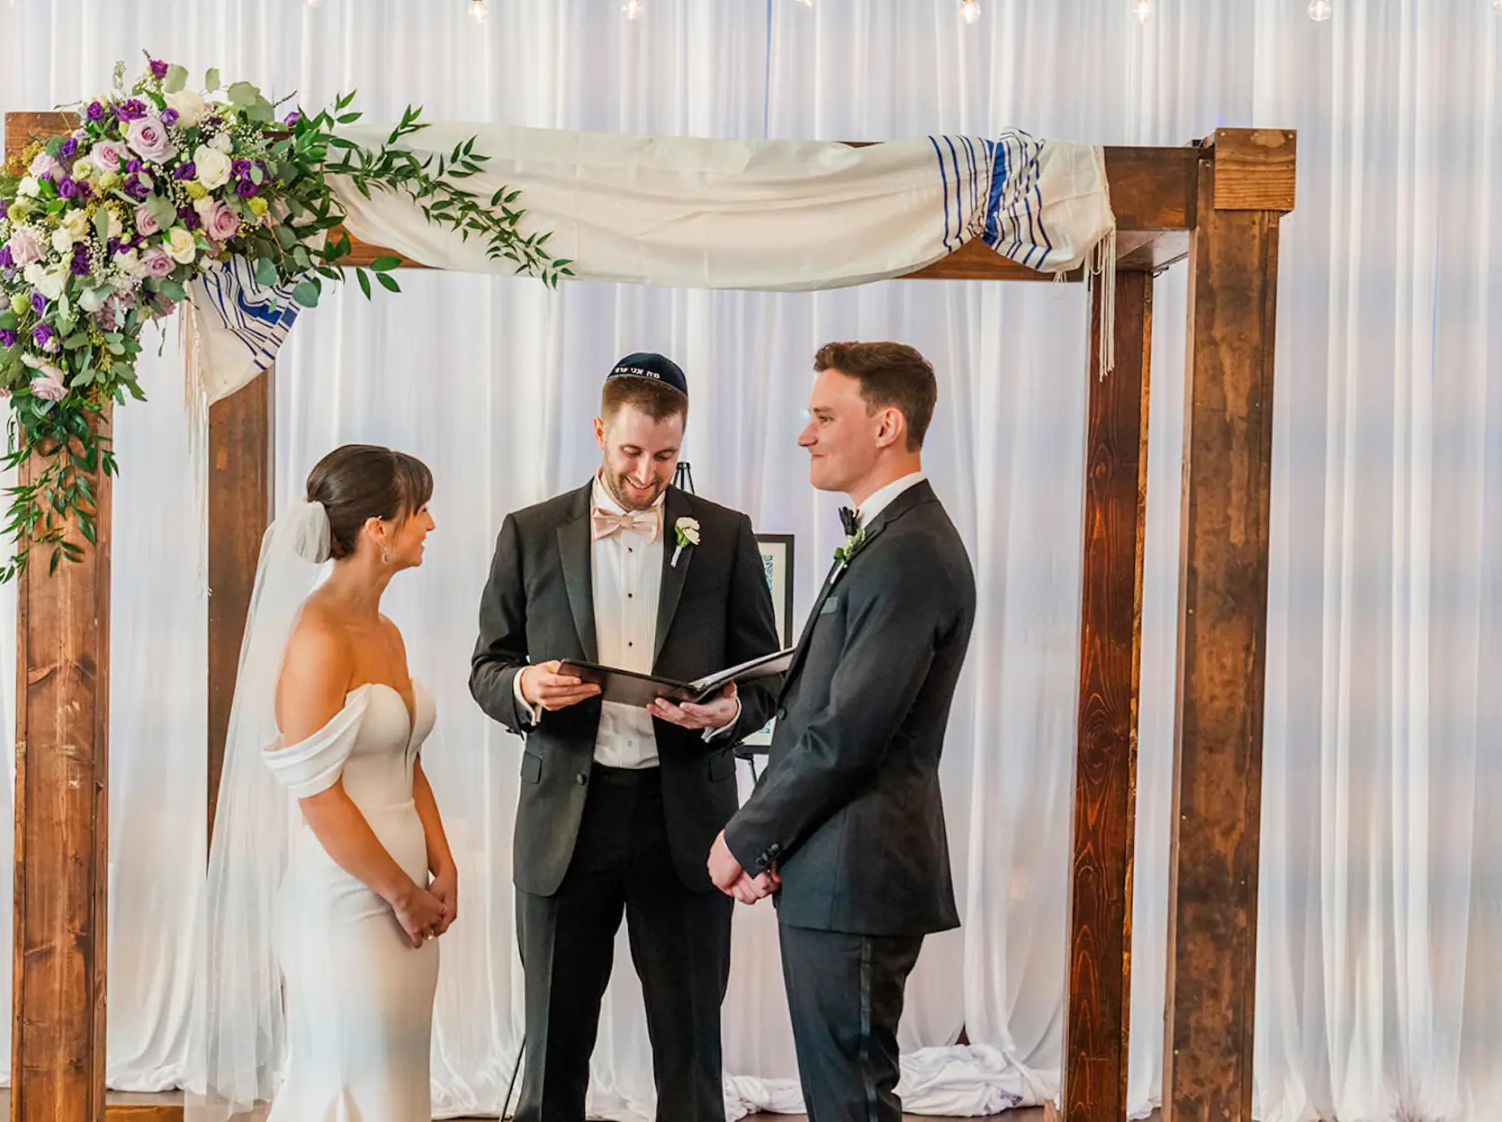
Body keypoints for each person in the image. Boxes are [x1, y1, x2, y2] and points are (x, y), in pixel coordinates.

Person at [470, 353, 782, 1122]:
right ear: (601, 431)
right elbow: (486, 666)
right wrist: (523, 687)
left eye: (667, 455)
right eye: (632, 452)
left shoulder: (726, 536)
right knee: (553, 1049)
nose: (648, 473)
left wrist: (728, 713)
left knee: (691, 1053)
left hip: (687, 824)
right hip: (564, 826)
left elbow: (771, 677)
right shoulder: (531, 531)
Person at [710, 341, 976, 1122]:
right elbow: (818, 709)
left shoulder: (912, 554)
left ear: (887, 423)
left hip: (859, 876)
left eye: (825, 416)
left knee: (851, 1105)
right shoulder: (887, 539)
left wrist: (744, 836)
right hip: (834, 867)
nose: (807, 435)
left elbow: (846, 734)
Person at [188, 445, 457, 1122]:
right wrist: (399, 892)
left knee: (395, 1087)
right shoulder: (316, 634)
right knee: (346, 1082)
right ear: (379, 531)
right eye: (417, 511)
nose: (429, 524)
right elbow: (317, 794)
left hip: (407, 900)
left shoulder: (388, 632)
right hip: (347, 902)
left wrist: (442, 861)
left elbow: (408, 759)